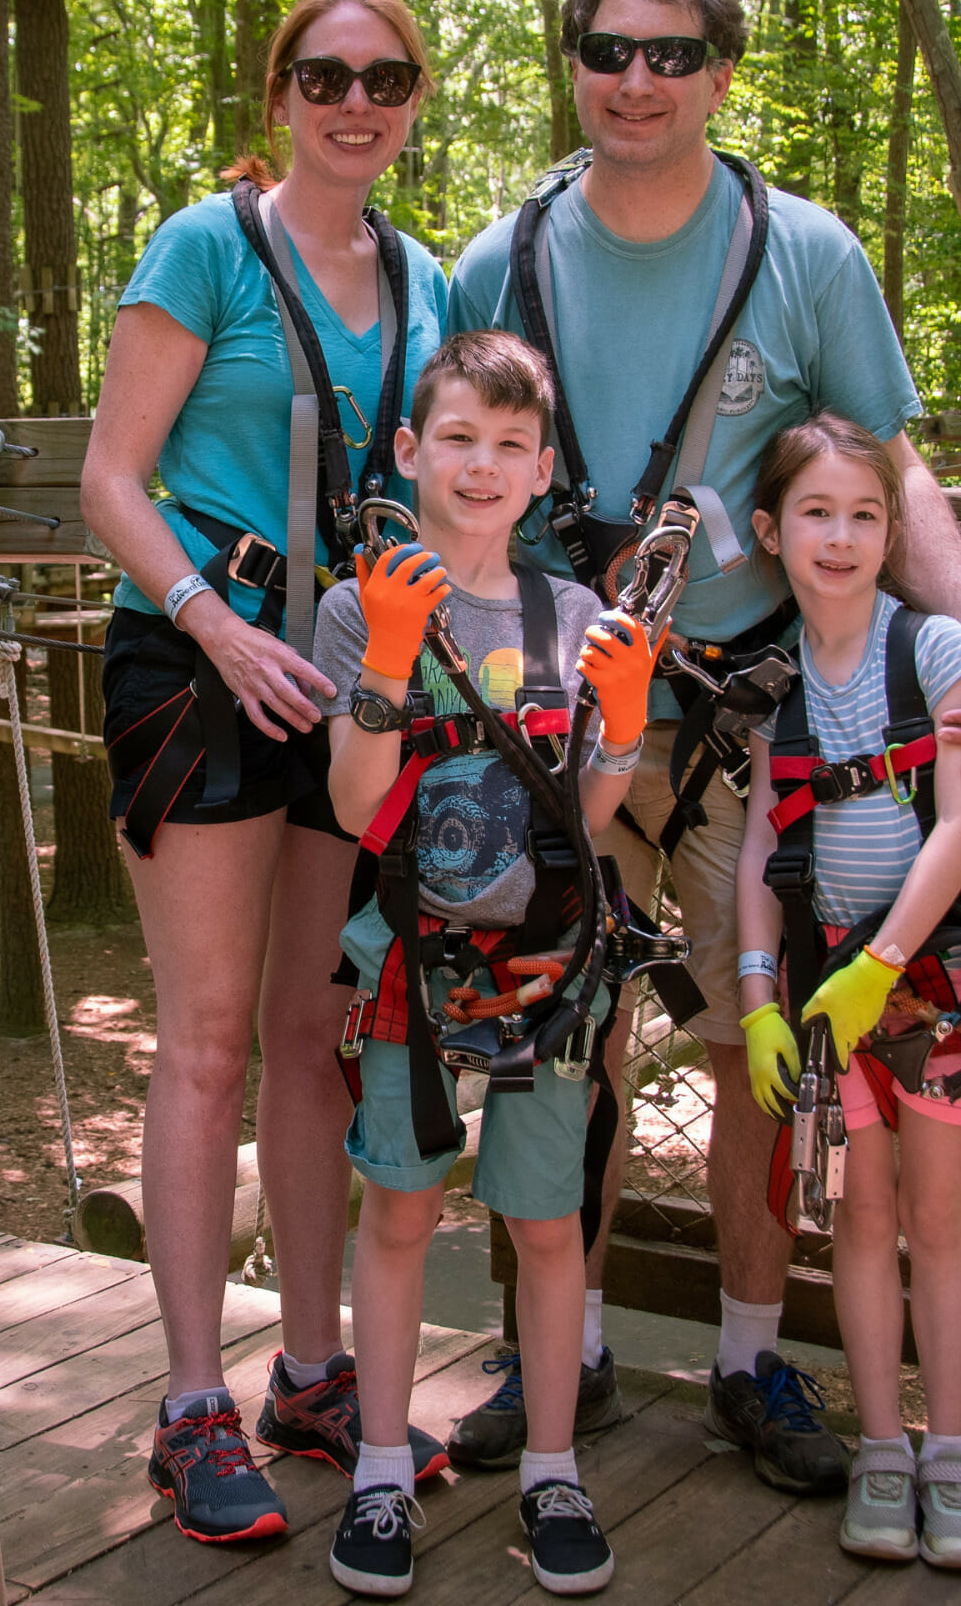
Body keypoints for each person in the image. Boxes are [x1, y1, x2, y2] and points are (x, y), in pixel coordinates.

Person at [445, 0, 961, 1496]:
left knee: (757, 1052)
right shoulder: (497, 260)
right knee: (553, 1043)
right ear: (572, 61)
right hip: (555, 728)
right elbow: (442, 484)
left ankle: (749, 1358)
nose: (637, 80)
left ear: (718, 72)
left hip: (738, 729)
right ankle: (552, 1355)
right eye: (610, 50)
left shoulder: (805, 255)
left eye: (672, 53)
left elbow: (892, 474)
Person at [80, 0, 448, 1544]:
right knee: (210, 1037)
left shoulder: (424, 278)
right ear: (278, 92)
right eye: (323, 74)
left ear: (415, 100)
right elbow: (110, 472)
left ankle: (312, 1367)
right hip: (200, 661)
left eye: (383, 78)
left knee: (319, 1037)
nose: (352, 101)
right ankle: (185, 1403)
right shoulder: (205, 246)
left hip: (347, 679)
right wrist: (212, 629)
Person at [313, 330, 655, 1597]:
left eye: (511, 444)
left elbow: (595, 813)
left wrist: (620, 724)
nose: (481, 463)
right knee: (400, 1206)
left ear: (543, 465)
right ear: (409, 452)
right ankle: (384, 1470)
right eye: (457, 437)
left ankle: (552, 1462)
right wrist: (390, 660)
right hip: (414, 954)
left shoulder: (570, 612)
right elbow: (355, 808)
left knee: (547, 1218)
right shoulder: (362, 606)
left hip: (548, 963)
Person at [736, 413, 961, 1571]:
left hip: (930, 988)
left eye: (863, 514)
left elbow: (959, 825)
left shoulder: (931, 653)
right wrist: (757, 992)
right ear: (769, 530)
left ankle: (950, 1449)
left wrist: (877, 968)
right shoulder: (775, 683)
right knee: (860, 1213)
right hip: (817, 992)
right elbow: (759, 850)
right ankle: (881, 1446)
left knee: (938, 1214)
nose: (838, 537)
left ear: (891, 531)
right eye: (813, 512)